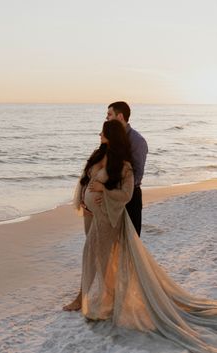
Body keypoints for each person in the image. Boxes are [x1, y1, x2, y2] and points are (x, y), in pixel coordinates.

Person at [64, 119, 217, 353]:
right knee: (90, 254)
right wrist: (84, 201)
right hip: (93, 216)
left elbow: (125, 194)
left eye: (102, 132)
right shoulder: (97, 155)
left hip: (108, 219)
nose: (98, 134)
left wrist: (103, 191)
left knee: (101, 258)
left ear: (110, 136)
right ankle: (91, 297)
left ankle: (101, 303)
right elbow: (87, 179)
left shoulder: (123, 165)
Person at [106, 101, 148, 237]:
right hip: (114, 196)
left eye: (109, 114)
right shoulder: (110, 138)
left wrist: (122, 193)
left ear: (120, 117)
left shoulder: (137, 141)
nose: (107, 118)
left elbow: (138, 173)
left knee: (132, 241)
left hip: (131, 198)